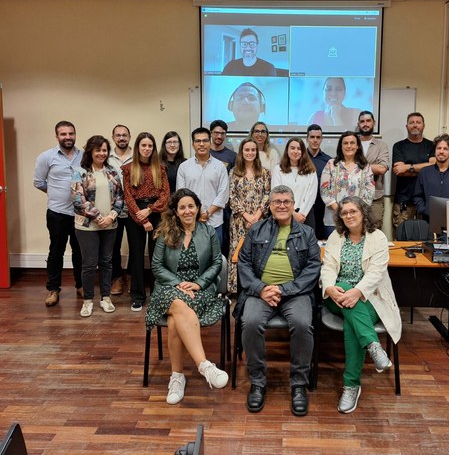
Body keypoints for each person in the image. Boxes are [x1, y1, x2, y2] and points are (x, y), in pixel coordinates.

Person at [235, 185, 321, 416]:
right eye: (277, 202)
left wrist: (284, 289)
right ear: (270, 206)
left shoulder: (307, 233)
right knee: (251, 322)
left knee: (303, 324)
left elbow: (313, 268)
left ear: (293, 205)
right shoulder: (256, 230)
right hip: (260, 292)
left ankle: (299, 385)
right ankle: (257, 382)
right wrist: (261, 289)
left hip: (295, 293)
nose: (282, 205)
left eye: (286, 202)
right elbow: (243, 263)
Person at [145, 188, 228, 404]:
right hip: (168, 288)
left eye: (191, 206)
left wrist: (198, 284)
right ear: (176, 211)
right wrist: (178, 284)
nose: (187, 210)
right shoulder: (166, 232)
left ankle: (177, 377)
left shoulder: (208, 232)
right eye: (182, 207)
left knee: (175, 321)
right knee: (178, 304)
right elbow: (157, 265)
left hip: (200, 289)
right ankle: (204, 366)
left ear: (198, 208)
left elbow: (217, 262)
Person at [320, 196, 402, 413]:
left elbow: (376, 273)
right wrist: (329, 287)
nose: (348, 216)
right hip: (337, 296)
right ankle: (374, 347)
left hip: (371, 298)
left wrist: (357, 291)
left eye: (353, 211)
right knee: (345, 288)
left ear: (364, 213)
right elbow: (327, 268)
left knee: (352, 323)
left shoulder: (378, 238)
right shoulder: (335, 237)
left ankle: (351, 384)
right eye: (344, 212)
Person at [71, 135, 124, 317]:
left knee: (106, 262)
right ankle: (87, 300)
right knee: (89, 264)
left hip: (110, 225)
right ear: (90, 152)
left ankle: (106, 297)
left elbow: (120, 197)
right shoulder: (80, 172)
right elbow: (78, 200)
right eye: (98, 150)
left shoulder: (112, 171)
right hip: (87, 226)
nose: (102, 153)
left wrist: (111, 217)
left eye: (104, 150)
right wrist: (99, 217)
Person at [33, 120, 83, 307]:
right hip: (57, 213)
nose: (68, 137)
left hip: (80, 214)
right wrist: (56, 193)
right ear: (57, 136)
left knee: (80, 252)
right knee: (56, 252)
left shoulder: (84, 155)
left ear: (75, 134)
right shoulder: (46, 157)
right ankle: (53, 290)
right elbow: (39, 182)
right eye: (63, 134)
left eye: (71, 133)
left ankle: (80, 286)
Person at [122, 132, 170, 312]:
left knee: (157, 257)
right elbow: (128, 196)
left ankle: (157, 296)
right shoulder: (128, 169)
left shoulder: (161, 168)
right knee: (136, 256)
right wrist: (142, 219)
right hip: (136, 215)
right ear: (138, 148)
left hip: (156, 212)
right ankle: (138, 296)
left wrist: (149, 211)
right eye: (144, 145)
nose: (147, 149)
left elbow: (165, 195)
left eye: (150, 146)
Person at [228, 138, 271, 292]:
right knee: (238, 253)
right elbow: (232, 197)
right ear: (241, 152)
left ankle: (259, 286)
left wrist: (257, 217)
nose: (250, 153)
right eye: (247, 150)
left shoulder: (265, 173)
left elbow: (267, 195)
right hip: (240, 221)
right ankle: (237, 288)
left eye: (253, 150)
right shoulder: (234, 172)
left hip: (261, 221)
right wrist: (247, 216)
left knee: (259, 252)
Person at [176, 127, 229, 249]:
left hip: (214, 222)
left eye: (205, 141)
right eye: (198, 141)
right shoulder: (184, 167)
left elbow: (223, 194)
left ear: (210, 143)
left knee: (215, 258)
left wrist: (207, 213)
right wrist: (196, 214)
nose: (201, 144)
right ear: (193, 144)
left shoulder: (220, 166)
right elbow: (181, 194)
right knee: (191, 257)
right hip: (189, 221)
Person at [320, 131, 375, 236]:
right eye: (345, 143)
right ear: (341, 146)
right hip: (334, 218)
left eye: (352, 143)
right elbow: (324, 191)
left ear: (357, 146)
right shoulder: (331, 164)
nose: (349, 146)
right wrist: (341, 211)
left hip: (358, 219)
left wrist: (354, 212)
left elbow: (369, 192)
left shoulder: (365, 166)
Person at [392, 112, 436, 228]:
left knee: (427, 237)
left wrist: (408, 167)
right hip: (404, 201)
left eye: (418, 122)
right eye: (411, 123)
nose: (415, 125)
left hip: (426, 200)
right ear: (406, 126)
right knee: (402, 236)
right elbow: (399, 171)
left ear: (423, 126)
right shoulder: (398, 146)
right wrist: (423, 169)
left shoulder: (432, 145)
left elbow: (433, 167)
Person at [413, 134, 449, 220]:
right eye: (439, 148)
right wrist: (425, 210)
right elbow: (417, 197)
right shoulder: (424, 172)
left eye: (445, 149)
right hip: (429, 221)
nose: (441, 151)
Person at [271, 138, 317, 229]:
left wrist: (301, 215)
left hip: (305, 216)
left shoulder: (311, 171)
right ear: (287, 150)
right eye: (292, 148)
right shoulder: (278, 169)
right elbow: (276, 193)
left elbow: (311, 195)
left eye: (299, 149)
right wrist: (292, 213)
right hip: (283, 213)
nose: (295, 151)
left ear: (303, 151)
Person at [109, 124, 133, 296]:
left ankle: (132, 276)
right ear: (113, 137)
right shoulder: (106, 157)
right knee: (113, 246)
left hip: (133, 209)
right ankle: (116, 278)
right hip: (112, 210)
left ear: (129, 137)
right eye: (118, 135)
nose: (121, 138)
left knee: (135, 246)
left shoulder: (137, 156)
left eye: (124, 135)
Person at [210, 119, 237, 258]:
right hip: (208, 206)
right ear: (211, 133)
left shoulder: (232, 156)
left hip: (226, 207)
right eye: (216, 133)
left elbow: (235, 182)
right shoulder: (204, 154)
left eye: (222, 133)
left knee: (225, 241)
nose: (219, 136)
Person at [357, 111, 389, 229]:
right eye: (362, 121)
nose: (365, 124)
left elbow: (381, 169)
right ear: (358, 124)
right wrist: (372, 166)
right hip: (354, 197)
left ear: (374, 123)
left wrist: (356, 166)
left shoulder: (381, 146)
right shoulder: (351, 144)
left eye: (368, 121)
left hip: (375, 198)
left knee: (374, 232)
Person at [306, 124, 331, 240]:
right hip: (304, 206)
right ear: (307, 139)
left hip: (323, 206)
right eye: (312, 137)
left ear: (321, 139)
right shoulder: (300, 159)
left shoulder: (328, 161)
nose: (315, 140)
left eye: (318, 137)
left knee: (321, 238)